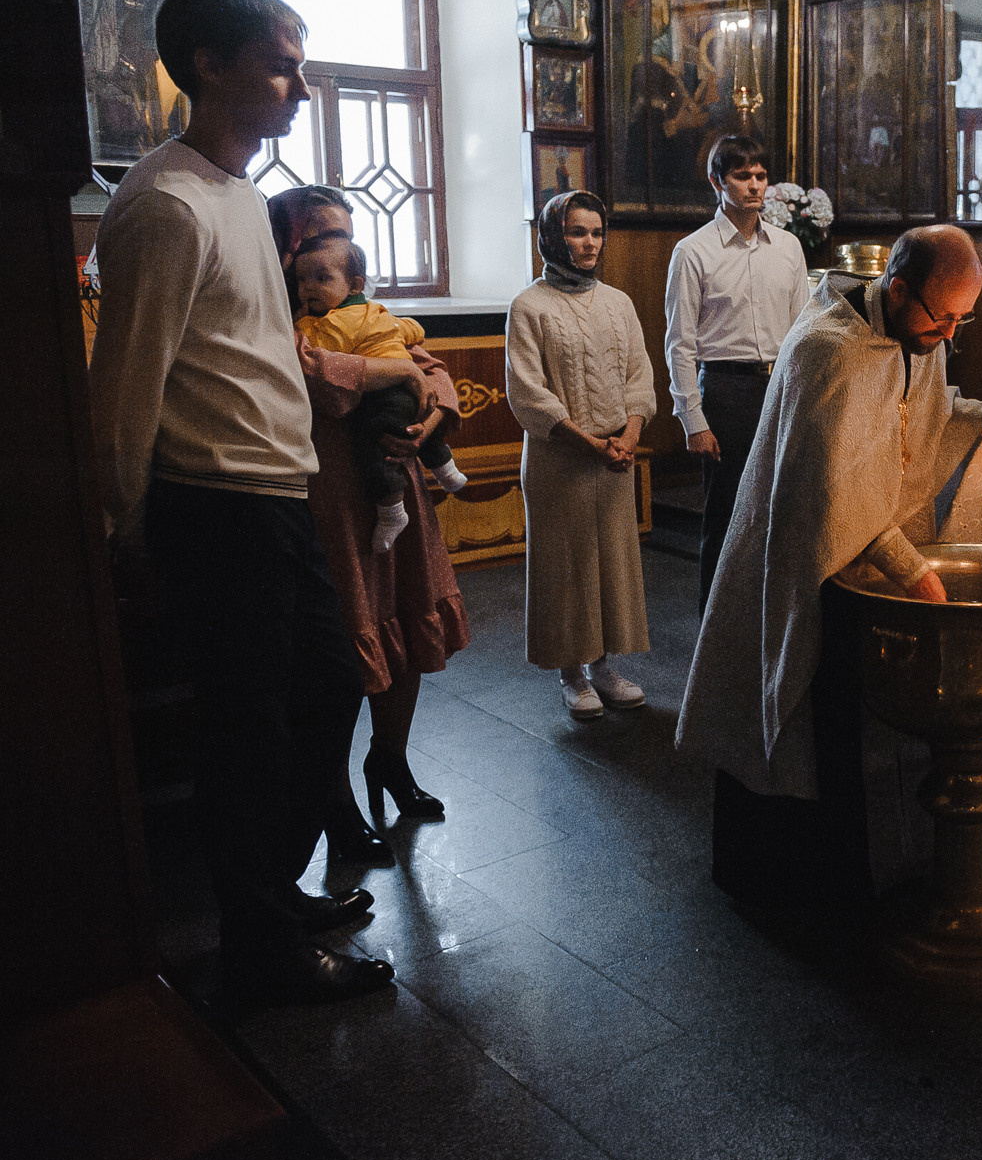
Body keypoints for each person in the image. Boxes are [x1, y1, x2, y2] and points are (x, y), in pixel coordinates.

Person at [89, 0, 403, 1005]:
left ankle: (275, 887)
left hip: (278, 497)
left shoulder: (240, 198)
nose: (301, 87)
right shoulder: (166, 205)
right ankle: (260, 946)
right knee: (246, 732)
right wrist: (123, 529)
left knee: (325, 687)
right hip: (214, 508)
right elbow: (126, 385)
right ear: (210, 68)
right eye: (282, 64)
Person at [676, 224, 982, 905]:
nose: (950, 334)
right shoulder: (825, 350)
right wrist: (911, 567)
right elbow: (826, 501)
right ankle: (794, 893)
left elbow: (924, 416)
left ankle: (858, 874)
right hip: (806, 562)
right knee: (799, 720)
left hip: (861, 559)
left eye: (962, 319)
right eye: (943, 316)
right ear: (896, 289)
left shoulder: (915, 331)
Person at [269, 185, 471, 858]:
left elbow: (429, 369)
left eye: (344, 240)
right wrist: (392, 371)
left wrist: (431, 414)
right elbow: (321, 381)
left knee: (408, 625)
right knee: (346, 645)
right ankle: (333, 800)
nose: (332, 252)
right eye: (319, 238)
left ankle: (390, 758)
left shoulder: (360, 309)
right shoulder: (284, 313)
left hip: (397, 479)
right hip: (331, 491)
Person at [506, 190, 658, 721]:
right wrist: (590, 444)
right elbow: (528, 392)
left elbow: (639, 375)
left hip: (615, 454)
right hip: (561, 458)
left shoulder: (618, 301)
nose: (589, 243)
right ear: (553, 236)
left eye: (596, 232)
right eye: (577, 232)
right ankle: (572, 674)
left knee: (612, 561)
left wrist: (629, 436)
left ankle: (606, 667)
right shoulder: (530, 305)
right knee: (567, 565)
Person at [662, 135, 811, 610]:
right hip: (724, 391)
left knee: (780, 512)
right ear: (716, 182)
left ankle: (766, 620)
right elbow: (680, 343)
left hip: (780, 387)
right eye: (741, 177)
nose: (753, 186)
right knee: (725, 518)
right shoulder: (693, 251)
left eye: (760, 176)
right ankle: (715, 626)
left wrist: (803, 399)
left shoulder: (787, 247)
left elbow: (802, 329)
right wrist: (693, 419)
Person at [292, 236, 467, 554]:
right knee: (399, 426)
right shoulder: (376, 312)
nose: (308, 288)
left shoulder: (327, 324)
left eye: (321, 278)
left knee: (374, 439)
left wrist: (426, 425)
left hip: (381, 409)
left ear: (354, 283)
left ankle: (391, 509)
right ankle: (446, 469)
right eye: (302, 279)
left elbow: (433, 372)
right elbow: (316, 368)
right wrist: (406, 369)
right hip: (332, 467)